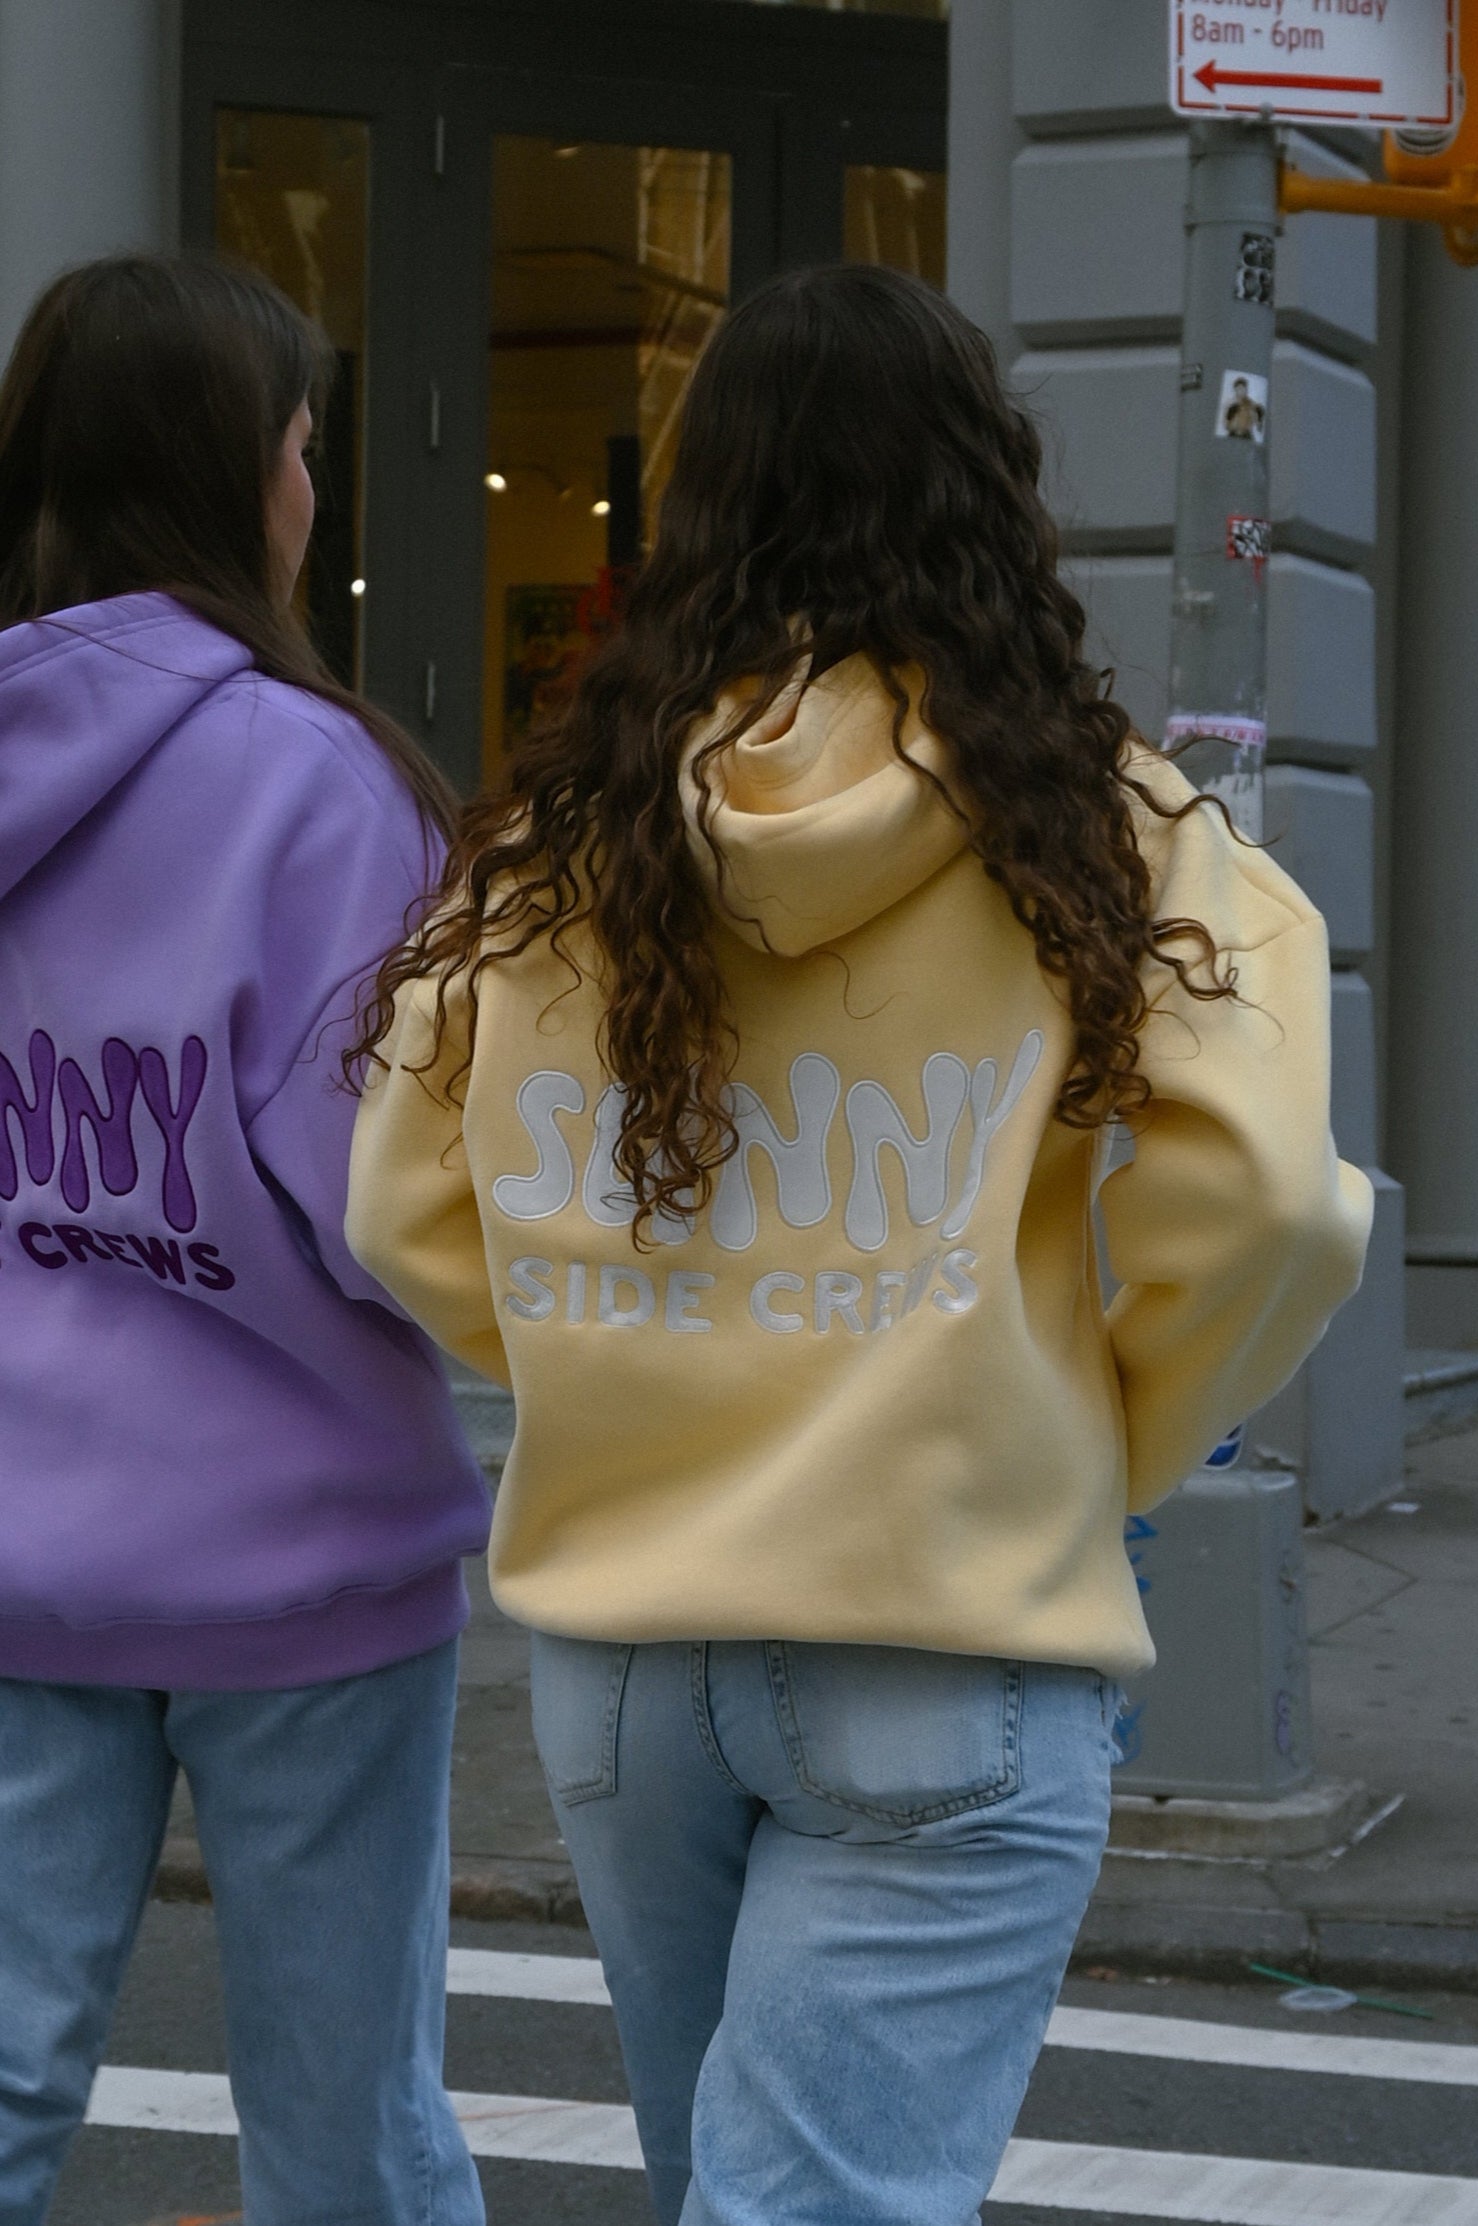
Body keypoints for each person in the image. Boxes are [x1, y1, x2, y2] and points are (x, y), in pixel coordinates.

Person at [347, 262, 1371, 2226]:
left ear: (699, 506)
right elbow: (1255, 1198)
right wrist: (1100, 1432)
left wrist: (626, 1349)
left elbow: (399, 1199)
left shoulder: (567, 845)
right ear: (987, 496)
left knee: (729, 2186)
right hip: (946, 1630)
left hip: (626, 1650)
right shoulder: (1108, 827)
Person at [0, 255, 489, 2226]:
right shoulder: (318, 781)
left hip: (18, 1549)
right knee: (345, 2125)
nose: (313, 489)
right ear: (238, 478)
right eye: (302, 447)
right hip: (306, 1555)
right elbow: (394, 1209)